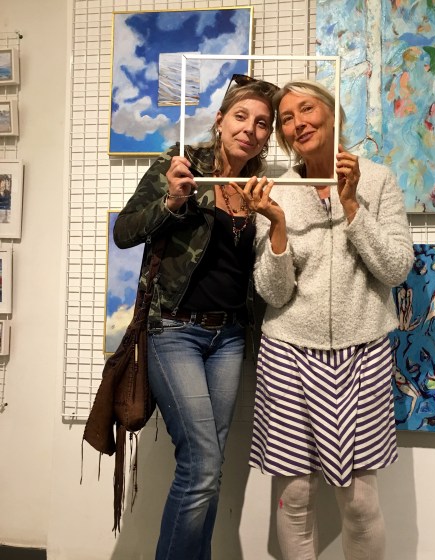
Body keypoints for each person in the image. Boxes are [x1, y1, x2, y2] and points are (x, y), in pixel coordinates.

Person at [238, 80, 414, 560]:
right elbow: (273, 293)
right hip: (288, 353)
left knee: (359, 503)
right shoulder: (277, 190)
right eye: (286, 119)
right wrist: (276, 225)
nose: (298, 123)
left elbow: (396, 268)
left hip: (364, 352)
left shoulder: (377, 180)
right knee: (295, 497)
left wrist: (352, 205)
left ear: (333, 114)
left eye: (307, 110)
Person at [113, 74, 278, 560]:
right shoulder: (181, 164)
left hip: (229, 337)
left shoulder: (257, 188)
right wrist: (172, 201)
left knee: (210, 467)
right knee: (203, 465)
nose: (250, 129)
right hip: (174, 329)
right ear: (220, 120)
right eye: (241, 116)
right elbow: (125, 232)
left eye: (262, 123)